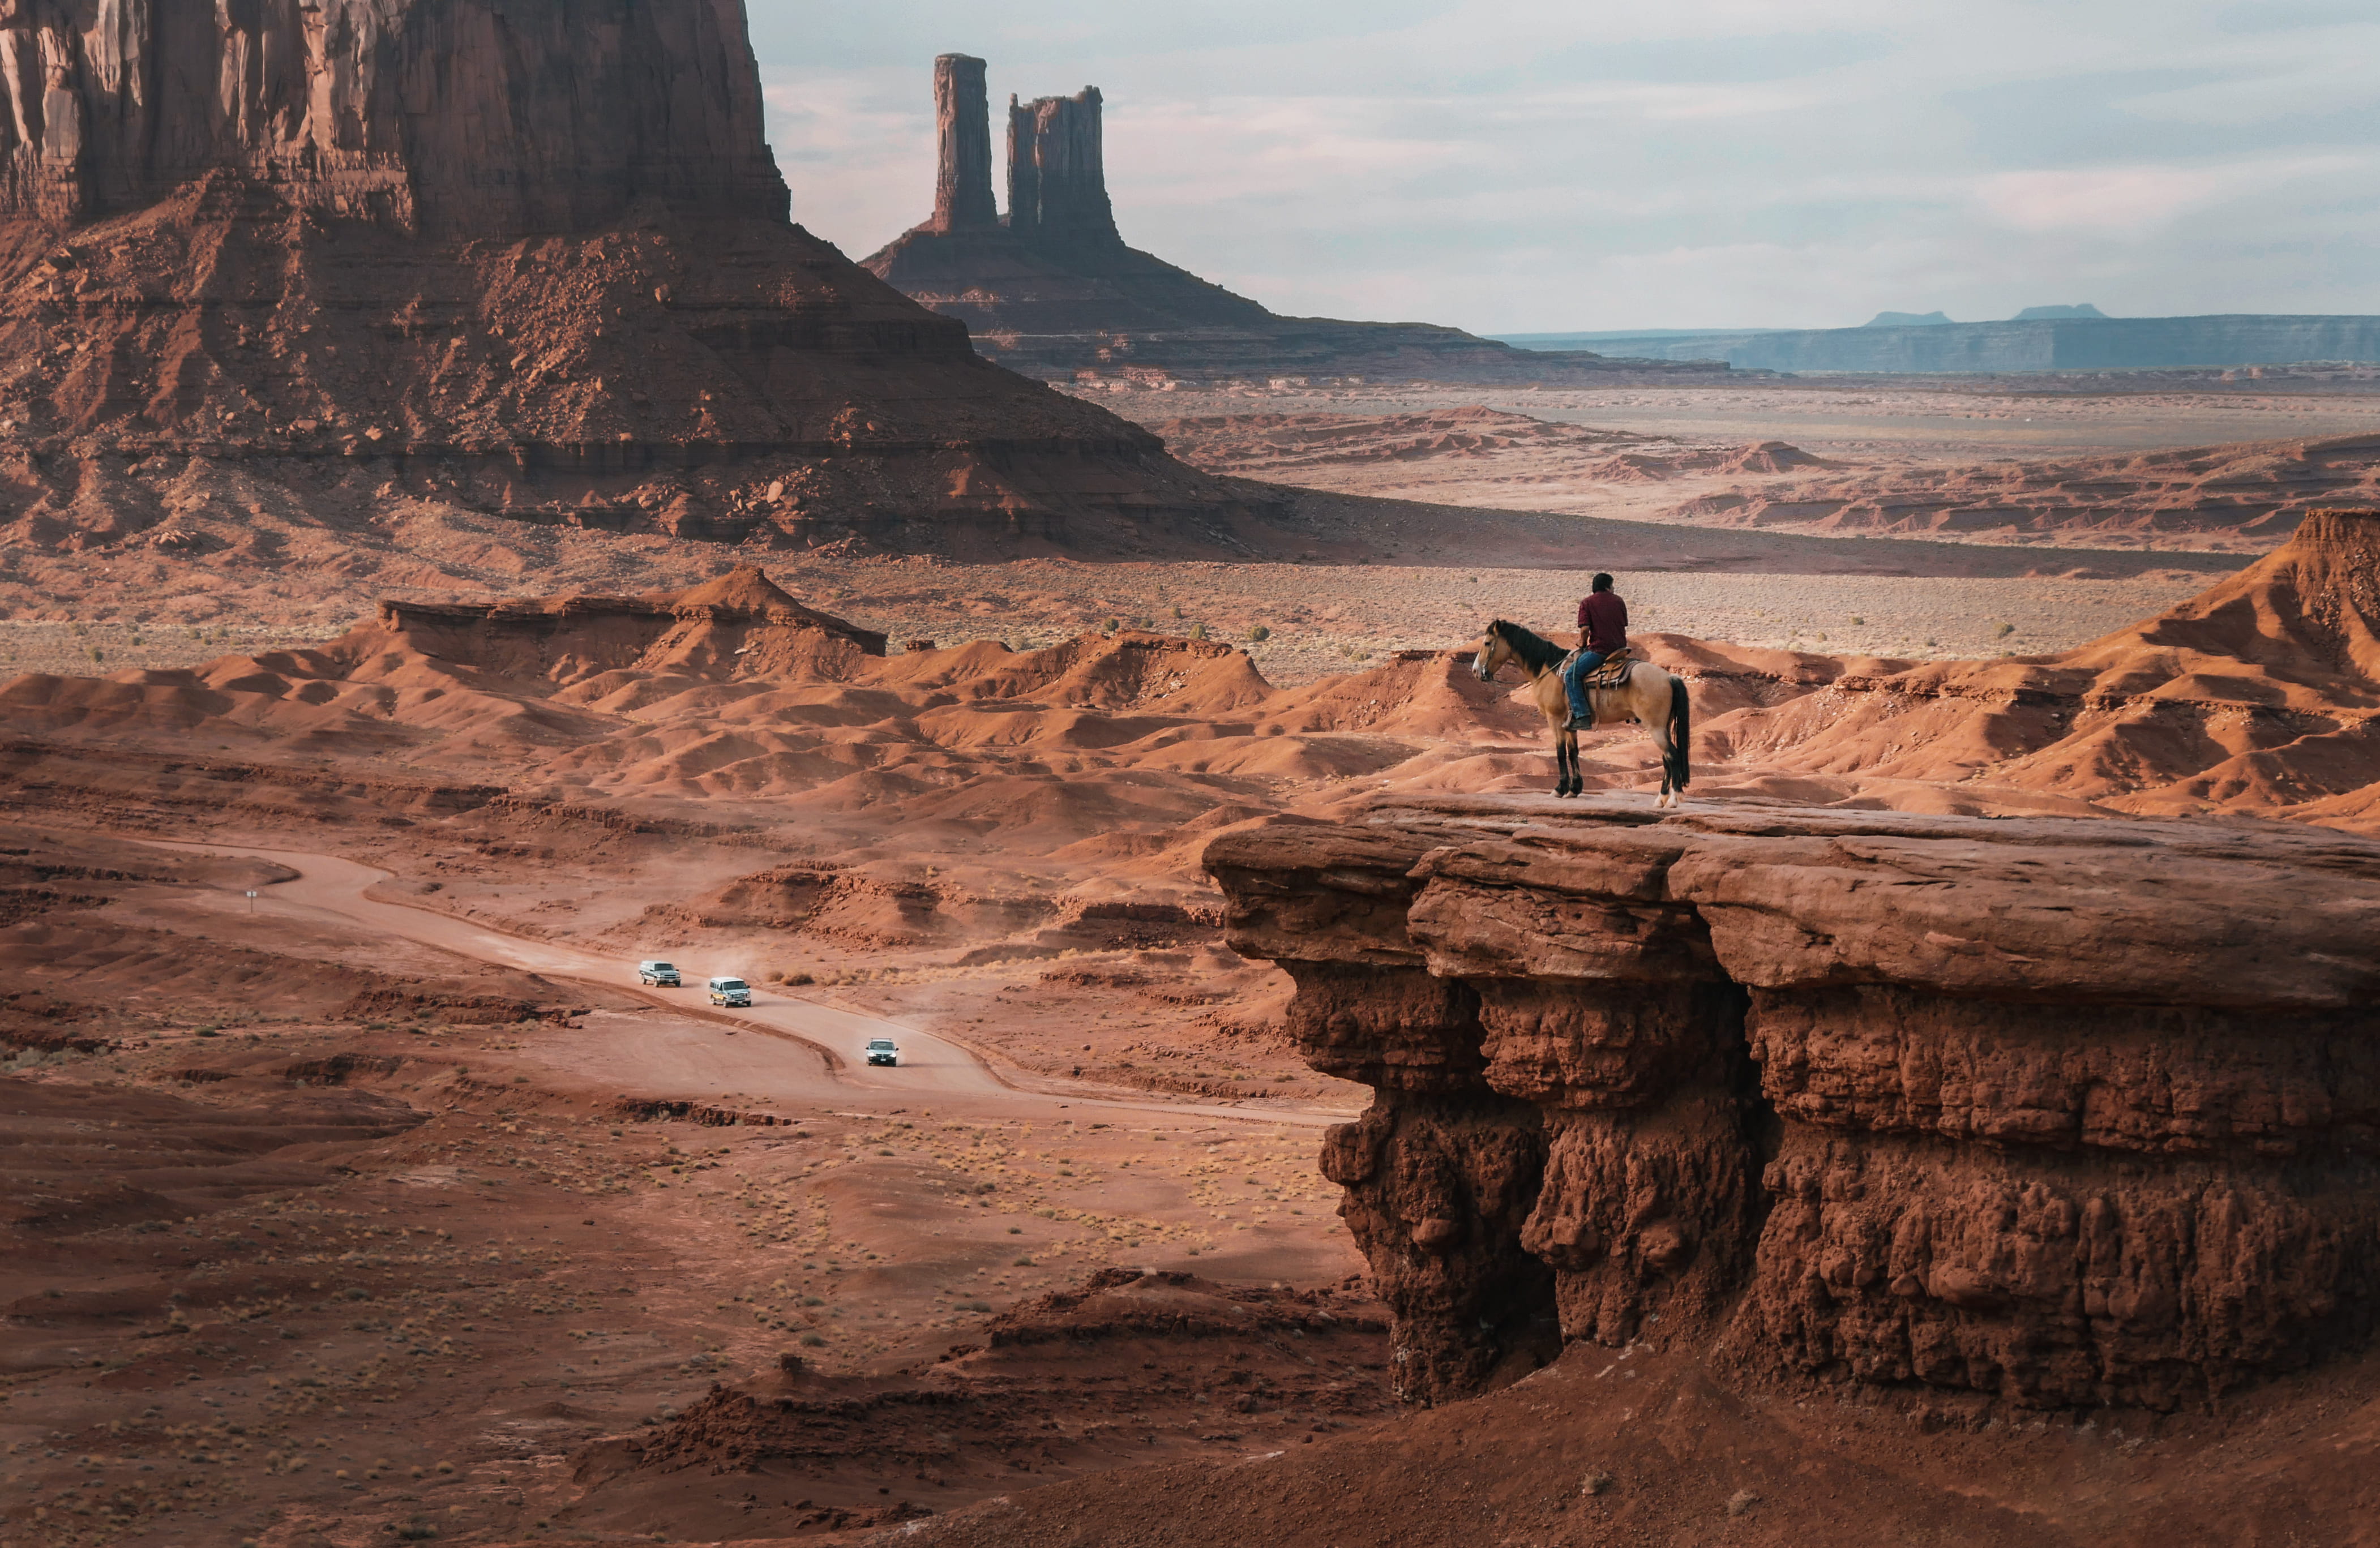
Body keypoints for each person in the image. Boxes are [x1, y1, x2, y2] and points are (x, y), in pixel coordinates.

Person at [1563, 572, 1628, 728]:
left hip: (1601, 650)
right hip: (1621, 649)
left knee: (1571, 675)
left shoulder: (1587, 603)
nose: (1613, 589)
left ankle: (1582, 716)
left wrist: (1582, 642)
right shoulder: (1619, 601)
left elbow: (1585, 629)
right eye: (1612, 586)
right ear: (1607, 586)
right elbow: (1623, 625)